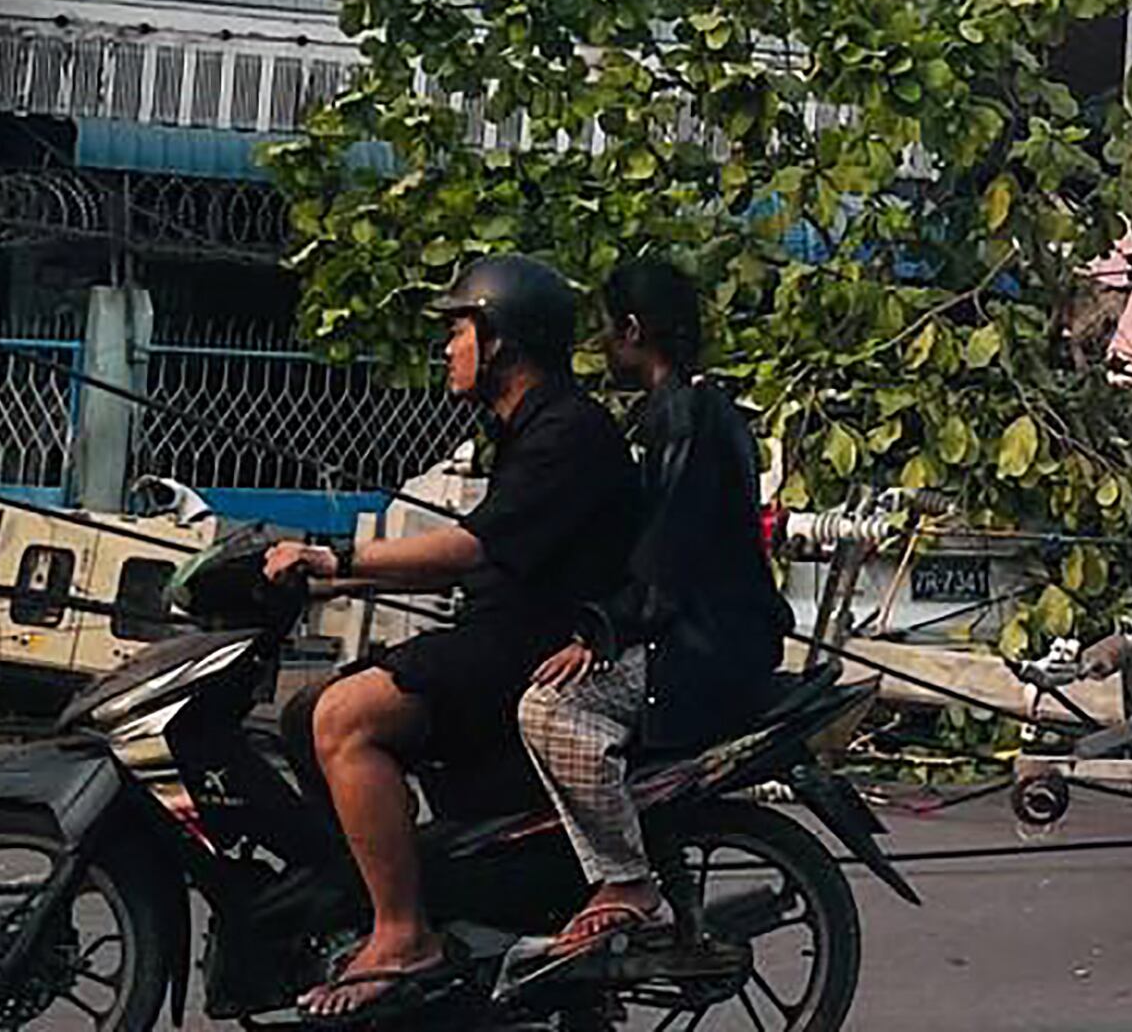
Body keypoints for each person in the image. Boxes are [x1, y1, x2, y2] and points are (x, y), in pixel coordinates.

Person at [263, 255, 639, 1019]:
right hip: (503, 629)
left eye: (457, 331)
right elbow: (472, 559)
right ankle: (387, 894)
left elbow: (470, 550)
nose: (448, 349)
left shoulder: (567, 432)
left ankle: (403, 934)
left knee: (345, 718)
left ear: (500, 340)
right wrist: (323, 578)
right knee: (305, 715)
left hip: (537, 646)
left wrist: (337, 558)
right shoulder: (523, 427)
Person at [506, 254, 791, 982]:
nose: (604, 345)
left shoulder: (687, 417)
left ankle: (627, 877)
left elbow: (669, 555)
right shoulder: (684, 409)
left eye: (608, 330)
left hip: (703, 648)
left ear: (633, 330)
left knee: (549, 708)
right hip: (704, 633)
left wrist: (599, 633)